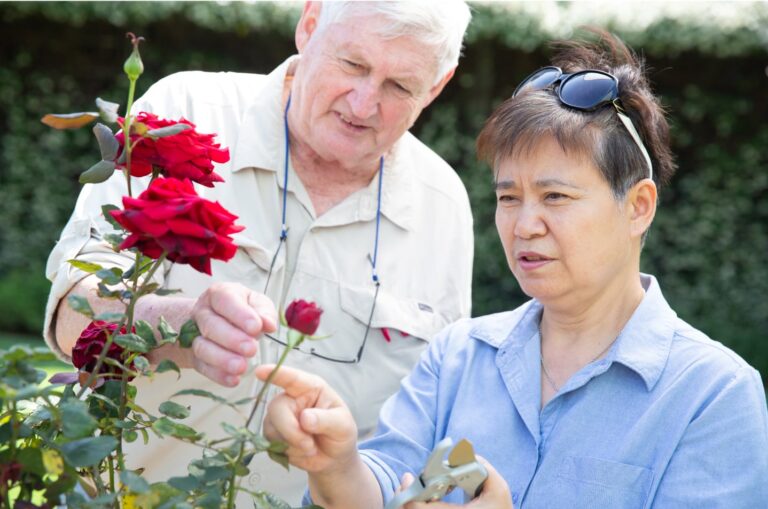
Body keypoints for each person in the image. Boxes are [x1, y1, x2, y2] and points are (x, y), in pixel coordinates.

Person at [256, 31, 768, 508]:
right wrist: (336, 464)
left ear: (638, 207)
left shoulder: (714, 395)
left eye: (555, 197)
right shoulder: (458, 358)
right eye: (509, 198)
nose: (525, 225)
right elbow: (388, 484)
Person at [44, 1, 473, 505]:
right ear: (309, 26)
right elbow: (70, 314)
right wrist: (181, 326)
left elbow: (433, 413)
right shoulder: (186, 112)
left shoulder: (443, 204)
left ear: (437, 86)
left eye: (400, 86)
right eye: (353, 65)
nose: (363, 104)